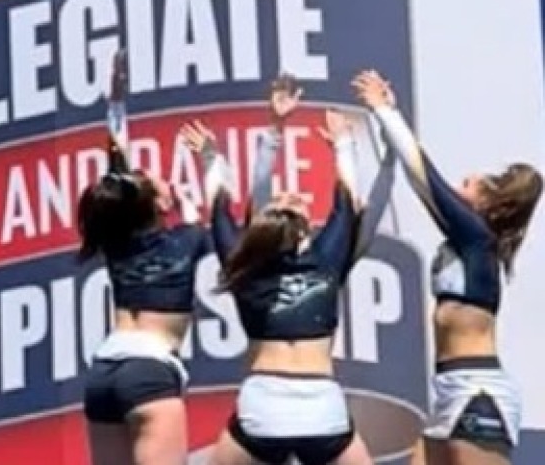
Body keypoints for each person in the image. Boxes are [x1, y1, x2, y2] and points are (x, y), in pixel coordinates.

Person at [187, 79, 396, 465]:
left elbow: (218, 207)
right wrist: (343, 145)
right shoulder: (326, 262)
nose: (291, 196)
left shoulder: (244, 265)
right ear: (303, 228)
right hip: (322, 408)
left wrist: (216, 157)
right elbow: (346, 202)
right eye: (290, 199)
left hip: (262, 407)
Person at [351, 70, 541, 464]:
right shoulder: (465, 243)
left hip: (478, 391)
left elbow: (424, 179)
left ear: (486, 205)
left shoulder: (478, 237)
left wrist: (385, 111)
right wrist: (388, 123)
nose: (457, 188)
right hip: (448, 388)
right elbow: (412, 170)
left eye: (467, 185)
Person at [76, 51, 209, 465]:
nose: (162, 178)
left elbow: (116, 160)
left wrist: (115, 101)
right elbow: (210, 220)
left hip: (104, 372)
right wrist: (202, 171)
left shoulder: (117, 237)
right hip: (149, 372)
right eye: (157, 182)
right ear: (157, 204)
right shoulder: (184, 241)